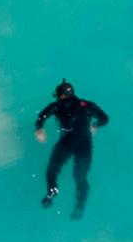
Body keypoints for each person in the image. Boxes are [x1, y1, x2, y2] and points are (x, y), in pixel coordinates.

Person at [34, 79, 110, 219]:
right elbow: (105, 118)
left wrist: (39, 129)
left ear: (61, 96)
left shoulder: (57, 105)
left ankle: (51, 192)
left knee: (52, 171)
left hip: (67, 141)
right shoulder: (87, 105)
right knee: (81, 176)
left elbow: (41, 117)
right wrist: (95, 126)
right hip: (85, 143)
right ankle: (79, 206)